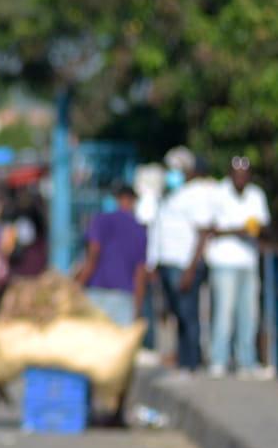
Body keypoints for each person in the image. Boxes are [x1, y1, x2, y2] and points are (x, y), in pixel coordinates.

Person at [146, 148, 214, 372]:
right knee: (177, 316)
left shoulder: (196, 195)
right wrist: (153, 263)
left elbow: (203, 233)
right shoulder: (167, 197)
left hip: (184, 266)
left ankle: (191, 363)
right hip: (167, 264)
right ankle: (182, 360)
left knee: (189, 316)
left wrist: (190, 269)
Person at [205, 156, 273, 379]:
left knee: (249, 314)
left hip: (248, 262)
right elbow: (212, 229)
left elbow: (263, 225)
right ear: (230, 174)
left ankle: (246, 361)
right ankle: (219, 359)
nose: (241, 178)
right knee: (224, 313)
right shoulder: (218, 194)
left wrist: (254, 230)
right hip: (224, 262)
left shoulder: (256, 195)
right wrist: (239, 231)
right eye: (237, 174)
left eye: (245, 174)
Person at [77, 186, 149, 326]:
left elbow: (92, 256)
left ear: (116, 199)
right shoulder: (140, 230)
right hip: (124, 298)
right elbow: (140, 273)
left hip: (96, 294)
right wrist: (138, 309)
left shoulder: (101, 220)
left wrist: (77, 286)